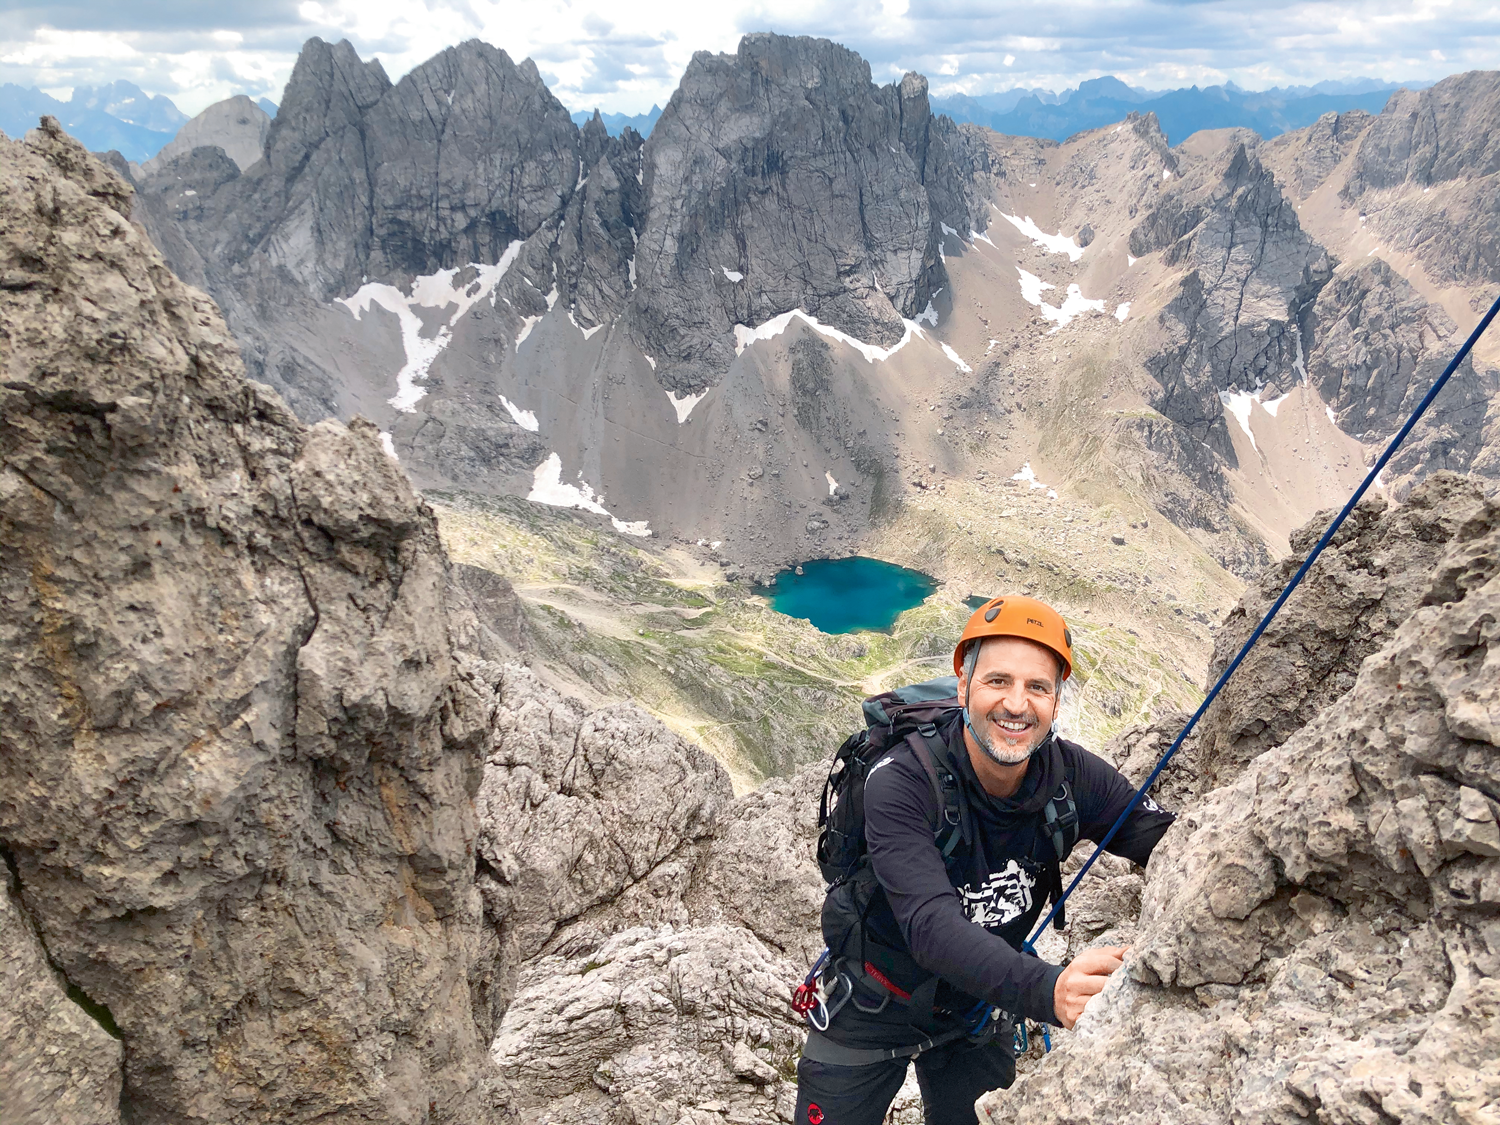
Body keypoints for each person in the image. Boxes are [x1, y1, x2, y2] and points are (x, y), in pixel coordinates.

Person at [794, 595, 1176, 1125]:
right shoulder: (903, 781)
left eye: (1037, 687)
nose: (1017, 705)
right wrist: (1050, 989)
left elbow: (1176, 843)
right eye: (998, 681)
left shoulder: (1073, 777)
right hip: (874, 1000)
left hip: (977, 1005)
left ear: (1055, 703)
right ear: (963, 687)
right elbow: (930, 927)